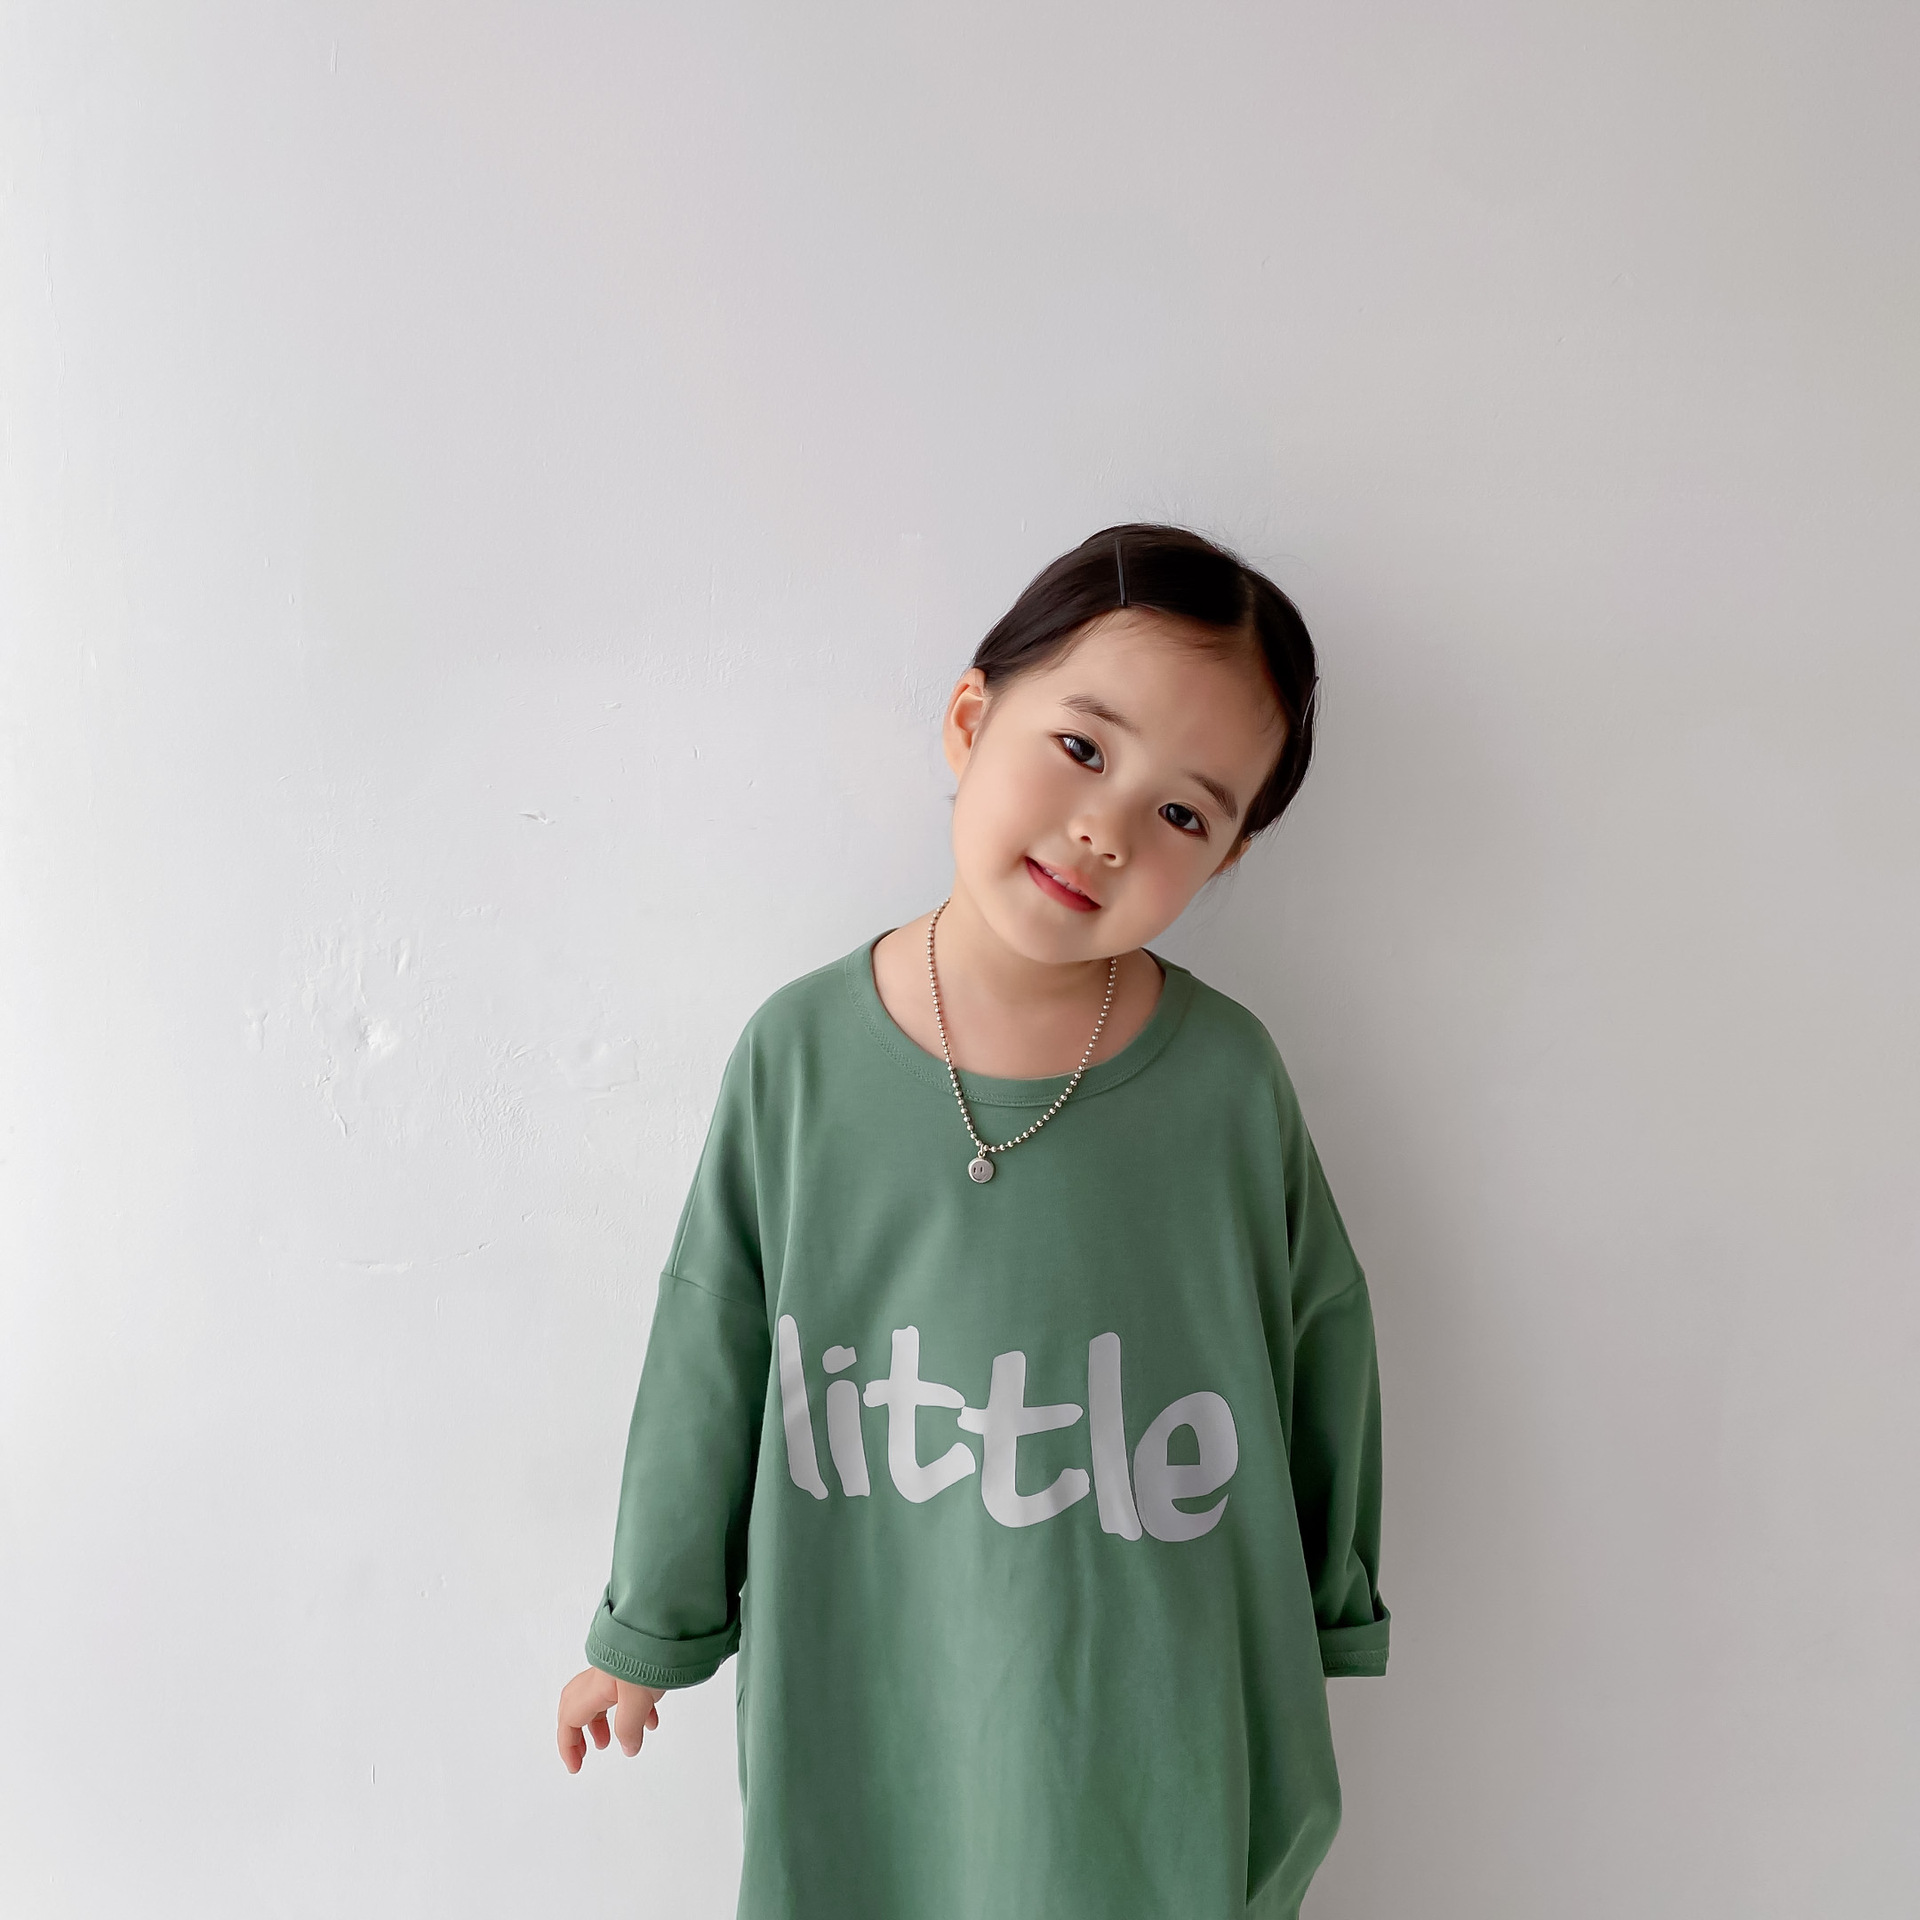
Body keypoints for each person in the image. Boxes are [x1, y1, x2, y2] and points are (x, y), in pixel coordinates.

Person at [555, 523, 1391, 1919]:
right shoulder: (801, 1058)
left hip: (1157, 1712)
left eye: (1185, 816)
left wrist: (1325, 1601)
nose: (1106, 827)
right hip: (876, 1697)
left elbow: (1321, 1337)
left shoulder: (1228, 1085)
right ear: (968, 717)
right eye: (1081, 747)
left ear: (1228, 856)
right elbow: (709, 1342)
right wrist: (647, 1624)